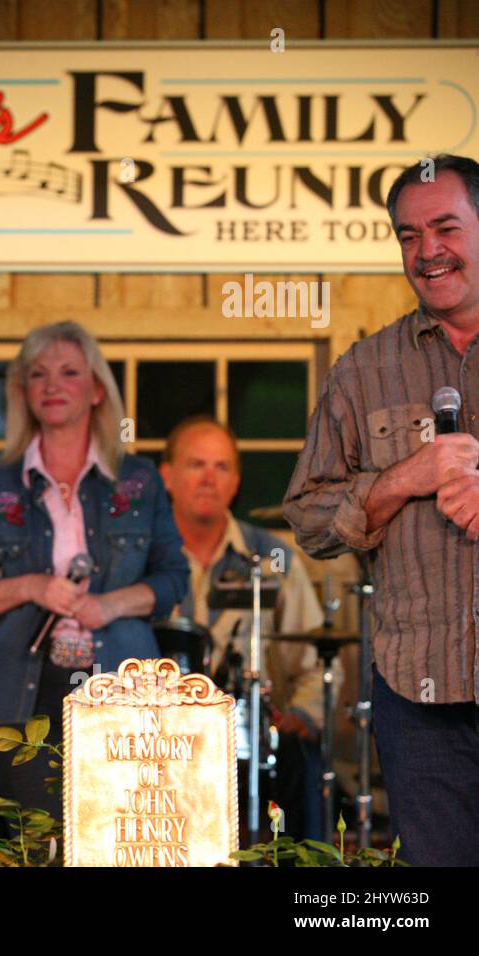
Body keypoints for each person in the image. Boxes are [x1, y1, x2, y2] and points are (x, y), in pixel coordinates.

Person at [284, 153, 479, 866]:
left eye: (446, 227)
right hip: (418, 694)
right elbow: (307, 516)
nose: (427, 251)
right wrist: (403, 478)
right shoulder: (363, 371)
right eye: (407, 234)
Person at [0, 321, 188, 819]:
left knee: (119, 837)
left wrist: (110, 604)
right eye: (38, 375)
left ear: (98, 389)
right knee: (40, 841)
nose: (52, 385)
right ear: (24, 391)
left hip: (125, 685)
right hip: (21, 690)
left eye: (69, 372)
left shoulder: (138, 479)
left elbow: (174, 579)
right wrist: (30, 586)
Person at [160, 415, 337, 840]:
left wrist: (297, 717)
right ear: (166, 476)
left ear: (236, 480)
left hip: (249, 742)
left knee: (295, 759)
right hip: (159, 743)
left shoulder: (274, 557)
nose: (208, 479)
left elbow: (315, 660)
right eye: (195, 464)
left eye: (221, 467)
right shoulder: (141, 557)